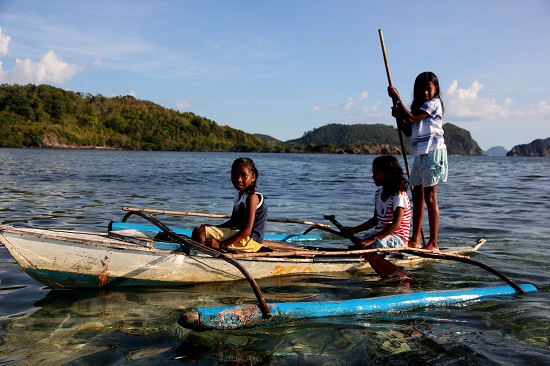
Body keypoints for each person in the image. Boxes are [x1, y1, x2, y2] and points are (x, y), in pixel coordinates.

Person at [387, 71, 448, 251]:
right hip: (420, 155)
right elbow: (408, 129)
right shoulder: (418, 107)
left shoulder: (435, 103)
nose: (425, 93)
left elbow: (412, 118)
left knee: (430, 197)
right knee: (417, 197)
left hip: (433, 153)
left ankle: (433, 243)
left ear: (436, 89)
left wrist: (397, 100)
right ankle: (415, 239)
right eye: (421, 90)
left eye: (429, 89)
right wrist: (398, 116)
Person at [191, 157, 268, 253]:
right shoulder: (240, 194)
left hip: (251, 241)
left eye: (244, 176)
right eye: (235, 175)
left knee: (201, 233)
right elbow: (233, 222)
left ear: (253, 177)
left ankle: (202, 257)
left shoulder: (252, 197)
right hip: (243, 237)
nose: (239, 179)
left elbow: (247, 230)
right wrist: (214, 226)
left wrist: (220, 245)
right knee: (199, 230)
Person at [341, 155, 411, 250]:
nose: (373, 177)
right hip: (380, 235)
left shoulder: (399, 195)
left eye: (376, 173)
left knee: (369, 244)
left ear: (388, 174)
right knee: (360, 243)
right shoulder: (378, 193)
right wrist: (354, 230)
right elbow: (375, 220)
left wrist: (373, 238)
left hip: (397, 238)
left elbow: (396, 224)